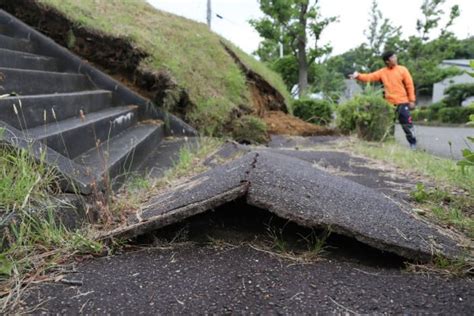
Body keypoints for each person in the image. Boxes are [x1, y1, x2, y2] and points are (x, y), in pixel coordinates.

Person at [349, 51, 417, 149]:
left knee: (407, 124)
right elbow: (369, 77)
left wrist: (412, 100)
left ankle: (413, 143)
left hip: (402, 102)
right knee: (389, 126)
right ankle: (390, 143)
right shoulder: (382, 72)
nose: (395, 58)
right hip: (388, 104)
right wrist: (358, 76)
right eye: (393, 57)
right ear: (387, 61)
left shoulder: (403, 70)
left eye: (395, 56)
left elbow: (409, 85)